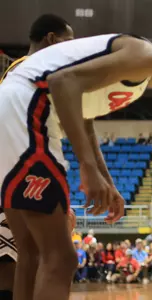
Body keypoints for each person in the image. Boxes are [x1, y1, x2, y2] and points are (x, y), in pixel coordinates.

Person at [0, 24, 152, 300]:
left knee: (31, 251)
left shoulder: (137, 74)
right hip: (28, 108)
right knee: (61, 257)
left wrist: (106, 179)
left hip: (11, 107)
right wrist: (87, 167)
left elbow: (84, 117)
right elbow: (63, 82)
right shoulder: (146, 57)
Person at [0, 14, 74, 300]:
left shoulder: (21, 73)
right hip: (15, 174)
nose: (71, 51)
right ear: (52, 39)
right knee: (23, 262)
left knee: (26, 261)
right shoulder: (32, 73)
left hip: (13, 172)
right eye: (68, 43)